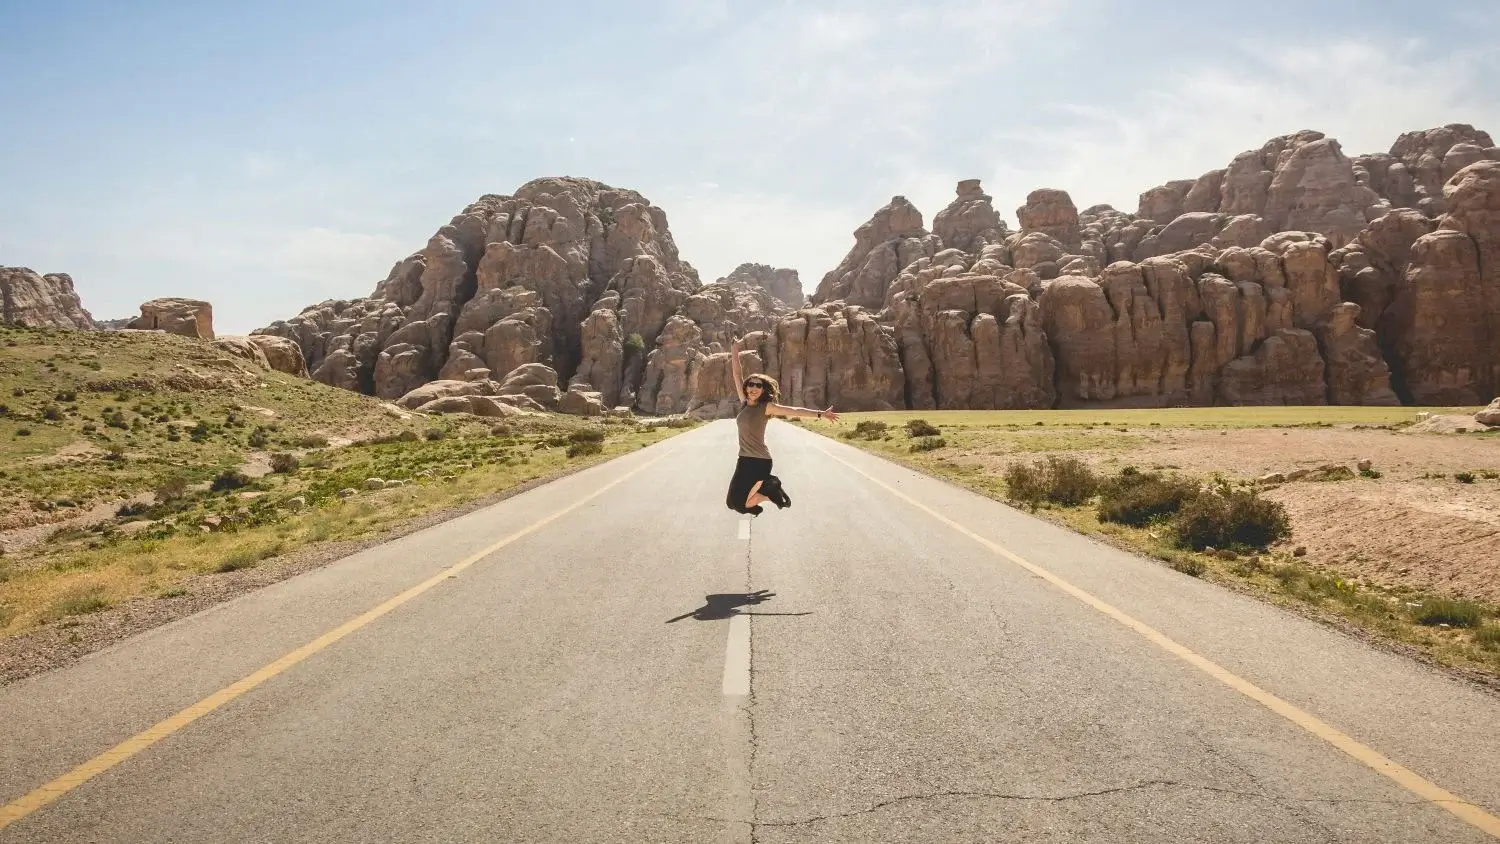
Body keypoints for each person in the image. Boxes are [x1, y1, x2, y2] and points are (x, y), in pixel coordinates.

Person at [726, 335, 841, 516]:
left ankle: (771, 491)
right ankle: (770, 493)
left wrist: (820, 414)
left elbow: (795, 410)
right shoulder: (744, 403)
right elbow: (736, 374)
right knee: (731, 503)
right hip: (744, 459)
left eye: (758, 385)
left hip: (759, 462)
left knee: (740, 505)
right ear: (746, 387)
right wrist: (734, 350)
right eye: (750, 385)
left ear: (763, 390)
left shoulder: (767, 407)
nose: (753, 388)